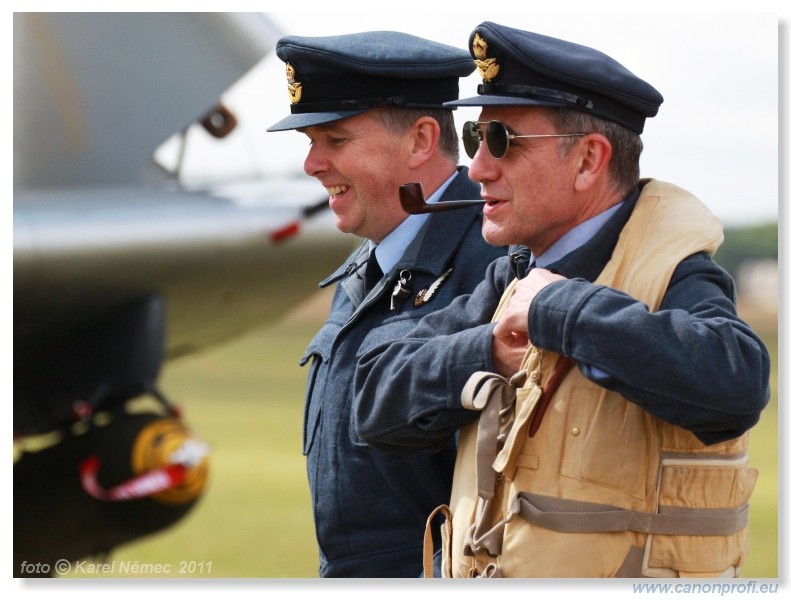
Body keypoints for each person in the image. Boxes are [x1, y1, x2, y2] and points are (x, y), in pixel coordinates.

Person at [354, 22, 771, 578]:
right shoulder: (514, 276)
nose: (476, 167)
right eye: (477, 142)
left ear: (587, 161)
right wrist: (489, 352)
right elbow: (372, 401)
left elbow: (738, 382)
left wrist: (563, 311)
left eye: (501, 141)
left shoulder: (676, 272)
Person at [266, 30, 508, 578]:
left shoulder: (497, 263)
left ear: (422, 140)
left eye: (334, 139)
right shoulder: (369, 265)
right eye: (309, 141)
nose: (311, 163)